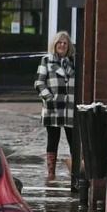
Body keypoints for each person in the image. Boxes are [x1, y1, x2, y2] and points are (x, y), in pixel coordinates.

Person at [34, 31, 77, 182]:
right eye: (60, 42)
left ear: (69, 46)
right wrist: (49, 98)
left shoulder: (73, 61)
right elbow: (39, 82)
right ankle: (51, 173)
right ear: (55, 44)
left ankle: (76, 171)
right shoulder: (46, 60)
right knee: (53, 139)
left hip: (70, 108)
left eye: (65, 43)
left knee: (74, 140)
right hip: (53, 107)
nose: (62, 45)